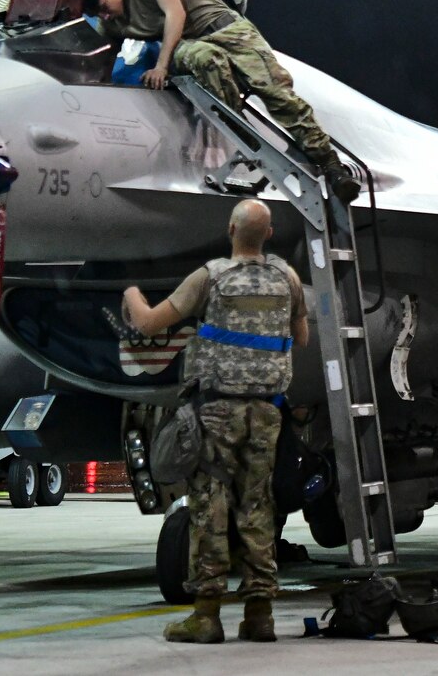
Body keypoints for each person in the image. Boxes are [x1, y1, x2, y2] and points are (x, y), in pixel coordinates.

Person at [123, 199, 308, 644]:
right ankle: (259, 614)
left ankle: (206, 614)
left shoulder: (210, 277)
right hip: (267, 411)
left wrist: (130, 292)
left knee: (209, 505)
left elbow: (149, 324)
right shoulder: (288, 278)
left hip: (217, 411)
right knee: (258, 505)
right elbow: (300, 337)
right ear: (268, 233)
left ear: (230, 230)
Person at [76, 0, 359, 202]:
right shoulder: (112, 22)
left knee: (277, 93)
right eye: (97, 13)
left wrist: (161, 67)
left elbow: (176, 13)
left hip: (228, 31)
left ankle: (332, 168)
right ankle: (244, 136)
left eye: (103, 6)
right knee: (205, 59)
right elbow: (95, 55)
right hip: (191, 45)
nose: (104, 15)